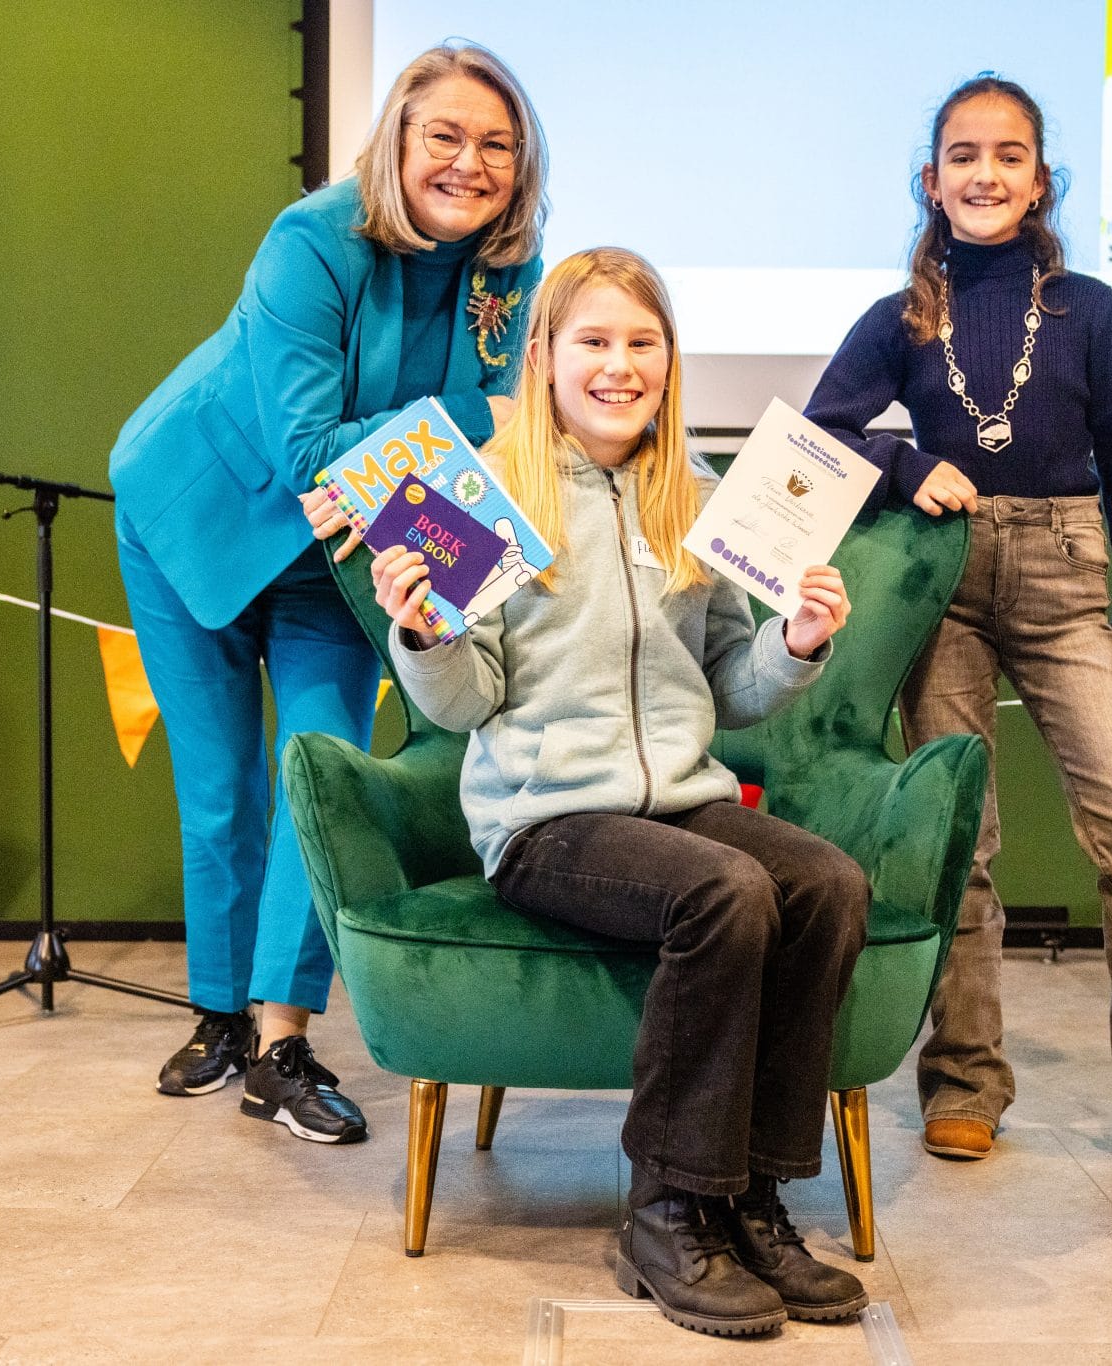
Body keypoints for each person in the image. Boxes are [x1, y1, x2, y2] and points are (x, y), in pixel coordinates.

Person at [372, 248, 872, 1336]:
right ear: (544, 357)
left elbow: (730, 686)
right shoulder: (483, 501)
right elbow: (465, 704)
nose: (619, 365)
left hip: (679, 801)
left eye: (642, 343)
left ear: (669, 361)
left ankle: (753, 1198)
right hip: (546, 819)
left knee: (828, 883)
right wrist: (423, 631)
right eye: (593, 341)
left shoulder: (696, 496)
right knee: (726, 892)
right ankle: (667, 1208)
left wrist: (795, 643)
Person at [804, 76, 1112, 1179]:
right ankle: (963, 1084)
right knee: (959, 844)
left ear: (1040, 183)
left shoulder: (1089, 311)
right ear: (930, 183)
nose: (985, 174)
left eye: (1008, 155)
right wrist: (902, 463)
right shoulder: (900, 319)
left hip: (1068, 578)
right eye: (963, 156)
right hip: (940, 582)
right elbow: (819, 435)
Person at [108, 42, 546, 1143]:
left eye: (497, 144)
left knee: (320, 782)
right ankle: (218, 1011)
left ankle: (282, 1044)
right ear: (396, 137)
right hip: (197, 516)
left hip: (351, 549)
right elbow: (311, 450)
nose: (469, 162)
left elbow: (468, 455)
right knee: (221, 790)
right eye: (444, 135)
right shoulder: (310, 240)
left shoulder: (512, 267)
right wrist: (475, 418)